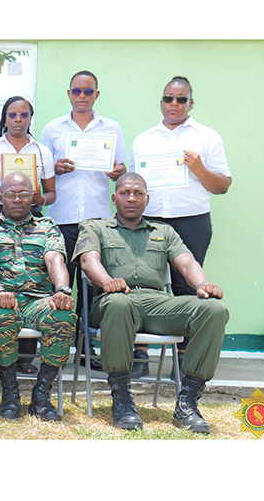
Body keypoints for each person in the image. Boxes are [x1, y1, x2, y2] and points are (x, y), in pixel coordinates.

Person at [74, 172, 229, 432]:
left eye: (138, 193)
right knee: (119, 304)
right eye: (125, 193)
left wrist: (202, 285)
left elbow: (187, 262)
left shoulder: (164, 231)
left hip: (157, 304)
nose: (131, 198)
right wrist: (106, 281)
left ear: (147, 199)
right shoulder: (94, 227)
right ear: (114, 198)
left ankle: (187, 401)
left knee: (213, 309)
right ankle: (121, 398)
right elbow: (89, 260)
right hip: (113, 301)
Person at [129, 76, 232, 378]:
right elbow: (136, 185)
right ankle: (139, 356)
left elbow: (223, 186)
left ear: (191, 102)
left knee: (188, 287)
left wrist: (199, 168)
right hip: (151, 222)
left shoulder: (207, 137)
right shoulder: (144, 139)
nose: (174, 104)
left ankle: (183, 361)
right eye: (168, 98)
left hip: (192, 221)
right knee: (144, 283)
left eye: (181, 99)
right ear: (161, 101)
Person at [40, 70, 127, 370]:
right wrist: (56, 168)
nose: (81, 96)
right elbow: (41, 173)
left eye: (88, 92)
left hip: (97, 221)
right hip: (62, 218)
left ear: (96, 95)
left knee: (92, 289)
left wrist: (117, 172)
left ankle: (87, 350)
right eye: (76, 91)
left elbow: (122, 168)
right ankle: (57, 349)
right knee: (62, 286)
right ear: (68, 93)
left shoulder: (112, 128)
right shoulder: (52, 129)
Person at [0, 172, 75, 421]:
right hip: (0, 299)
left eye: (23, 194)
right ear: (0, 196)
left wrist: (62, 290)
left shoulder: (47, 227)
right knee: (1, 315)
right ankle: (10, 393)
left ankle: (41, 395)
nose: (17, 199)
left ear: (33, 197)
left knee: (64, 315)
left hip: (37, 300)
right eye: (10, 194)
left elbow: (55, 259)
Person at [0, 95, 57, 375]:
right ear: (4, 118)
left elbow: (52, 194)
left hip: (33, 219)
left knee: (34, 279)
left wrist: (36, 197)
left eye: (24, 115)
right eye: (12, 115)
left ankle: (26, 358)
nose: (18, 120)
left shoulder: (42, 152)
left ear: (30, 118)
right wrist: (2, 194)